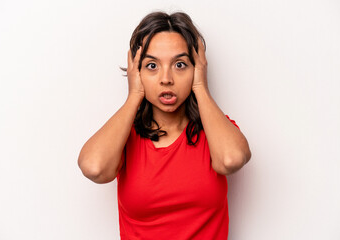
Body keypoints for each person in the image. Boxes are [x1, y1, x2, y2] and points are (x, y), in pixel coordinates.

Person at [78, 11, 251, 240]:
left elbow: (232, 159)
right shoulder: (124, 137)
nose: (166, 78)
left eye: (180, 64)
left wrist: (201, 87)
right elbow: (94, 167)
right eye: (152, 66)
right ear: (136, 71)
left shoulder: (215, 130)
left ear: (196, 69)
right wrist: (134, 95)